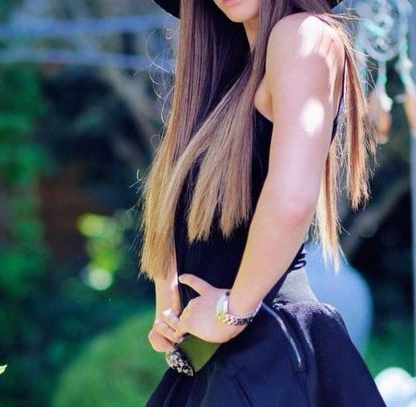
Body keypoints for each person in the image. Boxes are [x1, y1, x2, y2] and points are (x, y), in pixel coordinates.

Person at [137, 0, 387, 405]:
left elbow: (291, 199)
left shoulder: (301, 34)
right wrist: (173, 299)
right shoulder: (225, 74)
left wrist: (231, 312)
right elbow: (183, 200)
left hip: (265, 353)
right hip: (223, 359)